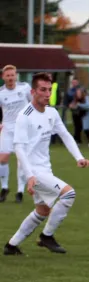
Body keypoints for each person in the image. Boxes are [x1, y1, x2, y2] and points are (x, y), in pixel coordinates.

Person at [3, 73, 89, 256]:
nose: (47, 94)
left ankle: (11, 246)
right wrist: (30, 176)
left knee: (42, 210)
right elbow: (19, 148)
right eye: (43, 90)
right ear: (33, 92)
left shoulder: (51, 112)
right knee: (69, 194)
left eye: (49, 90)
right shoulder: (25, 116)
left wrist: (79, 157)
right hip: (33, 170)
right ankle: (46, 236)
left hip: (45, 169)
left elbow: (65, 135)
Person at [0, 65, 32, 203]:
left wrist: (28, 118)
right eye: (7, 76)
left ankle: (20, 191)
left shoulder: (25, 87)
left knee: (21, 160)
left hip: (22, 128)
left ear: (16, 75)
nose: (10, 78)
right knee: (2, 159)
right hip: (7, 128)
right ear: (3, 77)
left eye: (12, 75)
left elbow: (33, 104)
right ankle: (5, 187)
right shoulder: (1, 93)